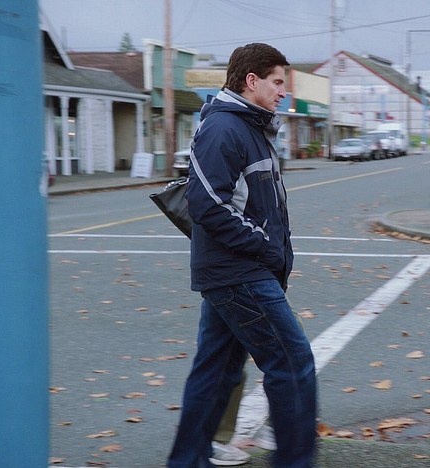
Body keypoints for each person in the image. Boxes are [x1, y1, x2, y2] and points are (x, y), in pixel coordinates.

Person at [168, 43, 317, 468]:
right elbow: (207, 204)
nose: (283, 91)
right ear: (251, 81)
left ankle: (186, 461)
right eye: (277, 82)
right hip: (239, 273)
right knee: (292, 363)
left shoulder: (250, 127)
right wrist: (263, 245)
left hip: (235, 272)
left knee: (217, 372)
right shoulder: (224, 128)